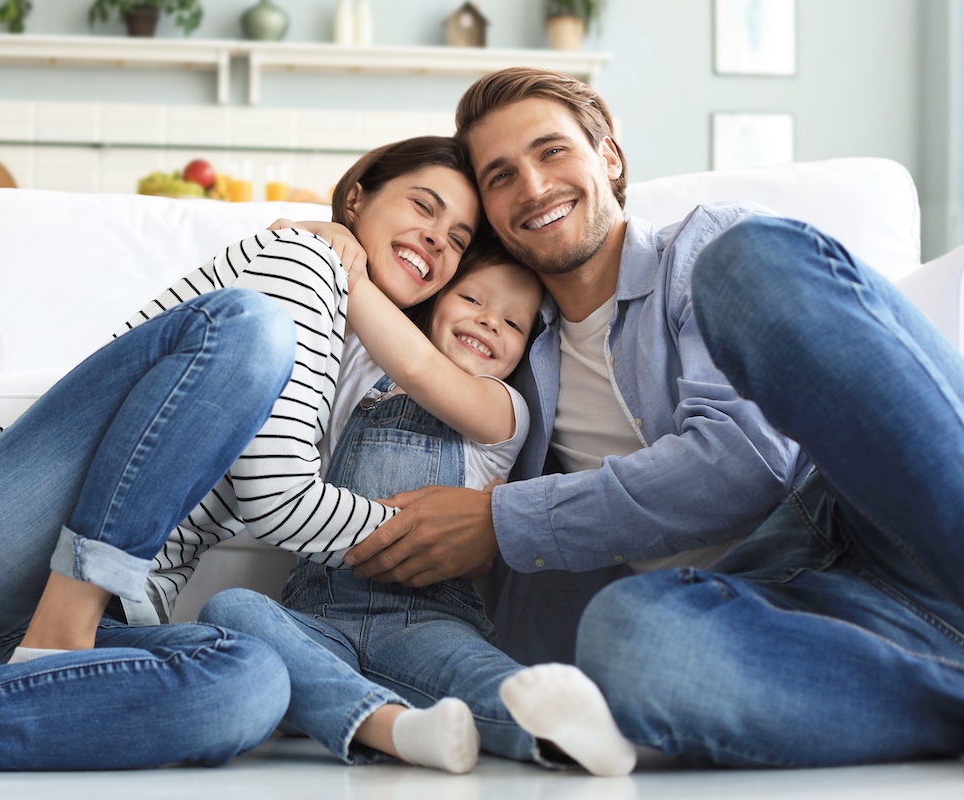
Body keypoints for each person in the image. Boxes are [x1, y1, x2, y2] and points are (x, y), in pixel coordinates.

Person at [0, 136, 481, 774]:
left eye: (458, 239)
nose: (436, 241)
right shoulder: (306, 258)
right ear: (357, 195)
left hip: (57, 630)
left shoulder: (362, 356)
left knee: (251, 686)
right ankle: (61, 628)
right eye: (424, 205)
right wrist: (452, 536)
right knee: (249, 327)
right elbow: (278, 498)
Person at [344, 66, 964, 767]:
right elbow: (400, 315)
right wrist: (332, 235)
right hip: (779, 613)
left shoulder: (700, 253)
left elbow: (747, 461)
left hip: (879, 517)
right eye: (501, 176)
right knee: (625, 638)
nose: (535, 187)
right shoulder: (503, 347)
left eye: (551, 152)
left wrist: (503, 522)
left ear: (608, 157)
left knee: (751, 261)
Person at [201, 239, 638, 777]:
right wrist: (322, 240)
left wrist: (356, 280)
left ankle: (567, 731)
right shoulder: (360, 375)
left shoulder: (505, 411)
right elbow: (352, 321)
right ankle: (398, 727)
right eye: (473, 299)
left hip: (426, 618)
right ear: (435, 300)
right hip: (316, 617)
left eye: (513, 323)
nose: (489, 322)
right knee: (232, 611)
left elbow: (421, 370)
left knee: (484, 677)